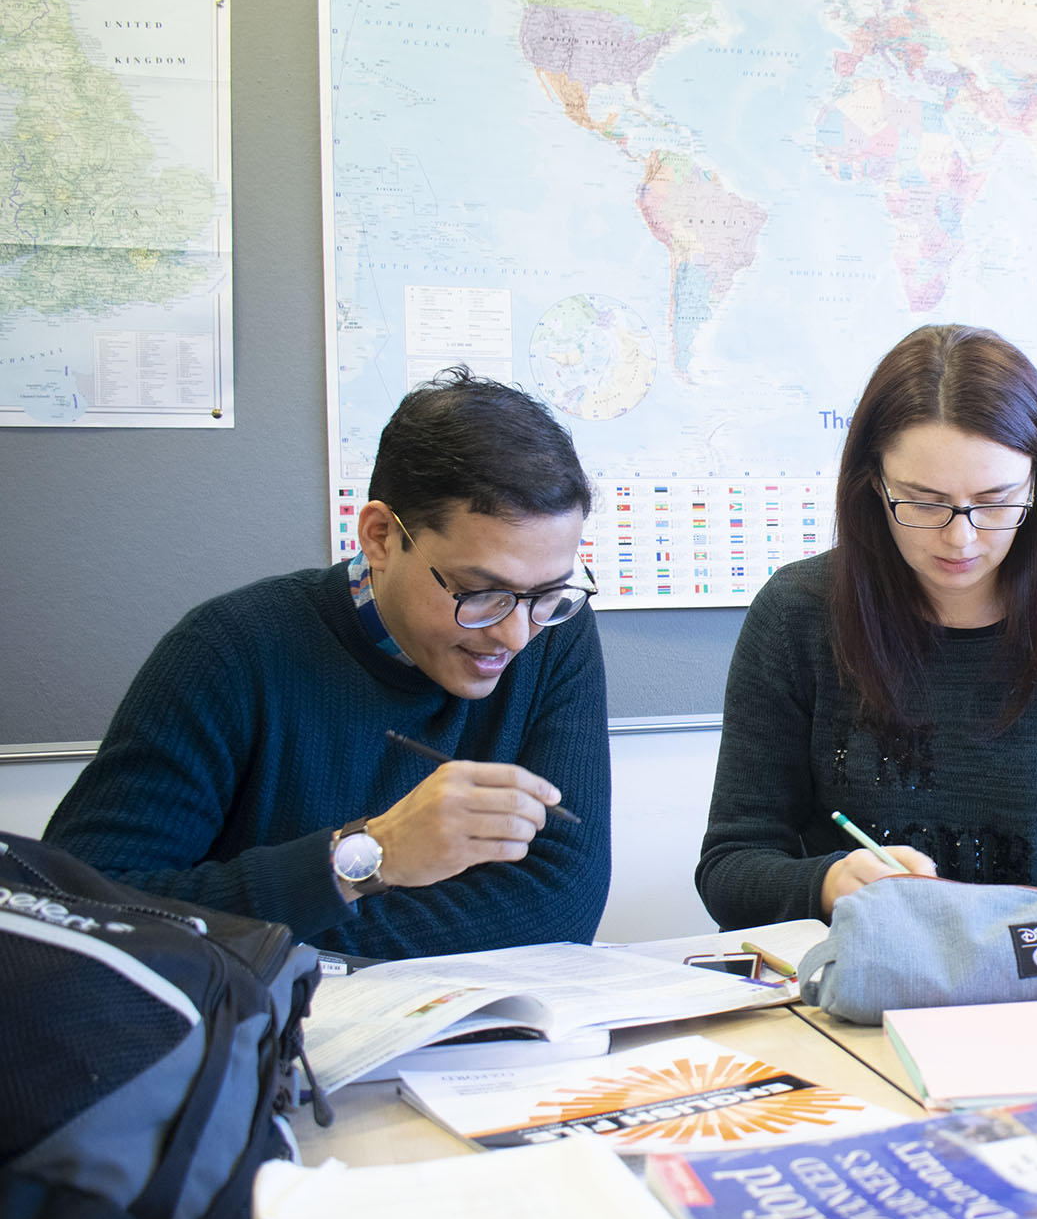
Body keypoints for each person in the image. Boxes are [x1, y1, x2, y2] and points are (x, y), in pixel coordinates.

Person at [43, 368, 613, 959]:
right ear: (381, 537)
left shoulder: (555, 633)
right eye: (478, 591)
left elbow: (561, 904)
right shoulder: (230, 651)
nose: (515, 634)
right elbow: (83, 913)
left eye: (547, 593)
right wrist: (369, 855)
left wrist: (276, 938)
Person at [697, 324, 1037, 929]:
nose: (961, 537)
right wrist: (829, 881)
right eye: (923, 502)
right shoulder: (798, 613)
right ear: (874, 483)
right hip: (859, 990)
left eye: (996, 501)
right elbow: (730, 868)